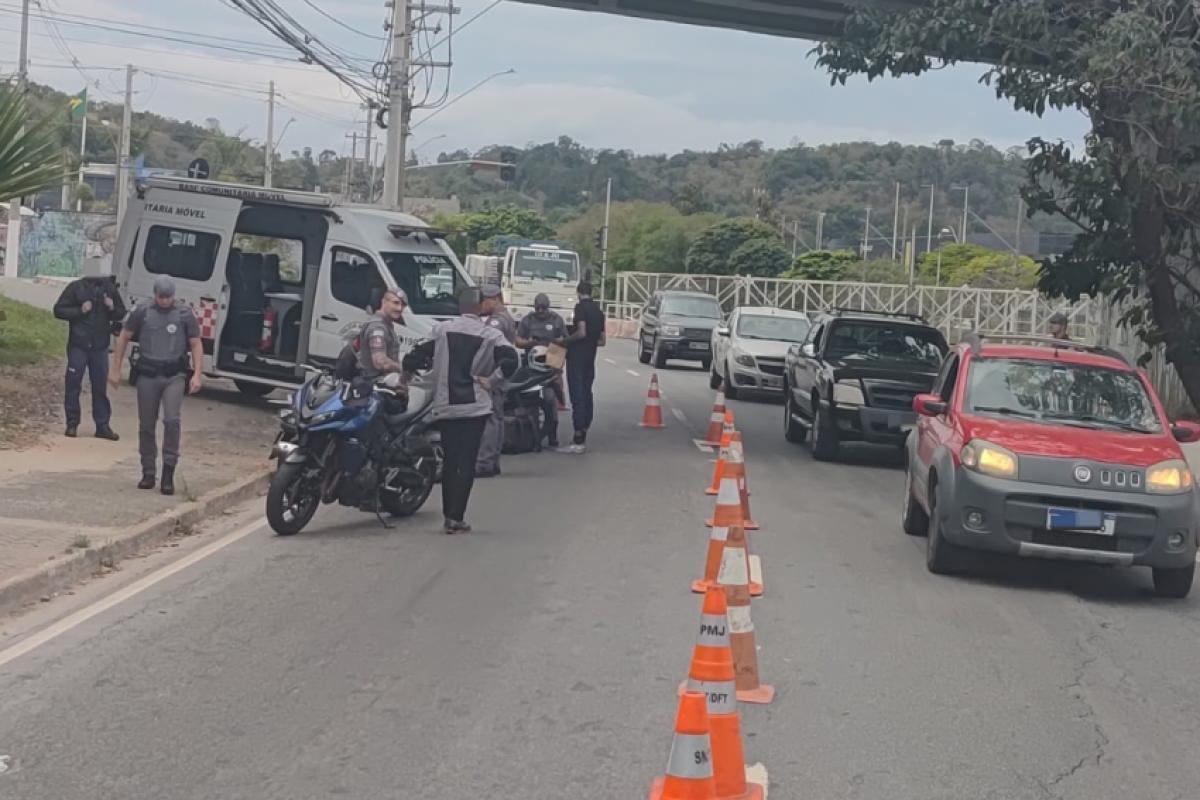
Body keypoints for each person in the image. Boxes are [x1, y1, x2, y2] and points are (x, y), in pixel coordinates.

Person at [403, 287, 518, 534]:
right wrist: (492, 380)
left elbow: (414, 357)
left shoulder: (441, 330)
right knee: (466, 463)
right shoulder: (490, 335)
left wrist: (405, 378)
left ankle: (447, 514)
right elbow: (511, 361)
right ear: (478, 308)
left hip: (446, 404)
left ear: (459, 307)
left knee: (451, 459)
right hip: (475, 406)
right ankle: (456, 518)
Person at [109, 276, 203, 495]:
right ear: (155, 295)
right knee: (146, 425)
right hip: (148, 374)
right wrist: (116, 369)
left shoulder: (184, 313)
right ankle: (148, 471)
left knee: (172, 420)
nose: (164, 301)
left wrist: (197, 374)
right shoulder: (142, 310)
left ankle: (169, 469)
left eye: (168, 297)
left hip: (174, 375)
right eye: (161, 297)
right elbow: (124, 337)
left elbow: (196, 344)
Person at [53, 272, 126, 440]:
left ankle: (102, 426)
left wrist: (111, 307)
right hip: (78, 344)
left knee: (100, 386)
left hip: (99, 346)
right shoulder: (75, 287)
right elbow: (58, 310)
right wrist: (80, 310)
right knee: (73, 383)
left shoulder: (109, 288)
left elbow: (121, 313)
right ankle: (72, 423)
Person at [475, 285, 517, 478]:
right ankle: (492, 461)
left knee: (490, 419)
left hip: (493, 375)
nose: (480, 305)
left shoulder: (497, 322)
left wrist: (491, 378)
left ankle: (485, 462)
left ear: (494, 299)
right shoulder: (505, 317)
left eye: (483, 301)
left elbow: (486, 344)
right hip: (499, 375)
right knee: (496, 418)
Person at [515, 293, 567, 448]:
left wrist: (558, 343)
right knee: (525, 396)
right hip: (531, 362)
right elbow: (517, 340)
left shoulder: (556, 320)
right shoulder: (528, 320)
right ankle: (528, 431)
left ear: (548, 307)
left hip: (551, 362)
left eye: (543, 308)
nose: (540, 311)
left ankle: (552, 435)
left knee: (551, 398)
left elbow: (566, 340)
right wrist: (529, 342)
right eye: (537, 308)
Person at [562, 280, 606, 453]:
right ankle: (585, 428)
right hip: (591, 357)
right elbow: (602, 341)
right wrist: (590, 343)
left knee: (577, 394)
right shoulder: (599, 312)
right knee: (587, 392)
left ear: (578, 292)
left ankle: (578, 433)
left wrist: (565, 341)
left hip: (577, 357)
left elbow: (581, 332)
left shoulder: (580, 308)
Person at [356, 288, 409, 381]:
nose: (399, 308)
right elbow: (380, 362)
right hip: (374, 385)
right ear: (384, 302)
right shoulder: (377, 327)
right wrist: (403, 368)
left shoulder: (386, 325)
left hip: (382, 383)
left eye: (403, 305)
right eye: (395, 303)